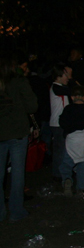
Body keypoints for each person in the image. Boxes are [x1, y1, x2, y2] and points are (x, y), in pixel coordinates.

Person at [0, 55, 38, 222]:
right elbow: (32, 106)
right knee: (17, 172)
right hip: (17, 132)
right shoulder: (19, 81)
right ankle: (16, 211)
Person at [49, 63, 73, 178]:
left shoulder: (60, 87)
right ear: (58, 76)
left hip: (62, 123)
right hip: (58, 124)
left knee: (64, 149)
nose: (68, 78)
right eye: (66, 75)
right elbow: (70, 91)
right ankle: (57, 174)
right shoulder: (56, 87)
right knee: (59, 150)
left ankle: (62, 172)